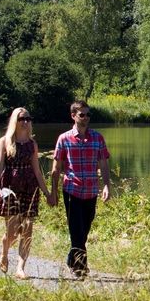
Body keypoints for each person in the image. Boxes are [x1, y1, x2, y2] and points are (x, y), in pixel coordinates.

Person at [0, 107, 54, 280]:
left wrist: (47, 193)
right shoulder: (5, 141)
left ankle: (20, 268)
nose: (25, 122)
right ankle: (4, 249)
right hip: (10, 189)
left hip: (29, 188)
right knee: (12, 232)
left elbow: (37, 171)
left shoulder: (32, 144)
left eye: (28, 119)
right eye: (22, 119)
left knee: (27, 229)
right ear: (14, 121)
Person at [51, 100, 111, 277]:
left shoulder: (98, 138)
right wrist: (52, 193)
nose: (86, 118)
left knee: (84, 230)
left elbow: (104, 165)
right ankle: (80, 268)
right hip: (72, 190)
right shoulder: (64, 138)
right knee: (76, 230)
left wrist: (107, 185)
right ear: (73, 116)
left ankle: (72, 257)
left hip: (91, 191)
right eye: (82, 115)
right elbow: (56, 168)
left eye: (88, 115)